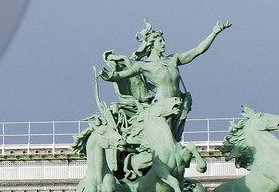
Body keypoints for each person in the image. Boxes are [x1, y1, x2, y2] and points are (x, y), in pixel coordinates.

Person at [99, 20, 231, 137]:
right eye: (160, 41)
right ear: (151, 44)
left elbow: (198, 50)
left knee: (175, 139)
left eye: (163, 40)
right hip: (163, 106)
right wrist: (110, 76)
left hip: (179, 105)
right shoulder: (144, 65)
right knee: (167, 142)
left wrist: (214, 33)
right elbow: (121, 75)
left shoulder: (173, 59)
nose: (164, 43)